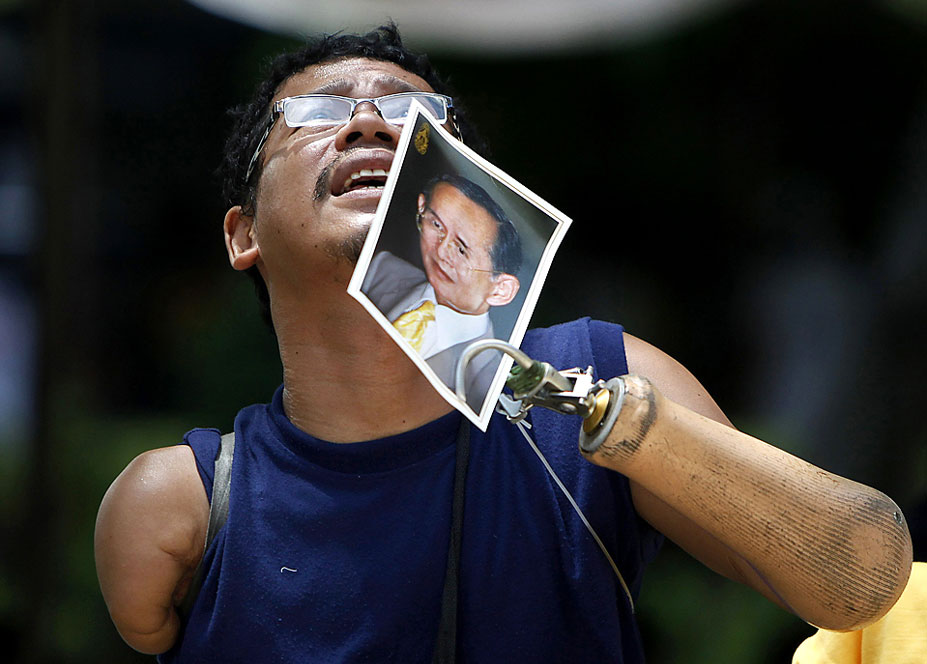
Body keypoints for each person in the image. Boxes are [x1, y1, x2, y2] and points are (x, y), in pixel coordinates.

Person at [93, 24, 914, 663]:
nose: (368, 123)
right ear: (242, 235)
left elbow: (859, 578)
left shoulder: (603, 374)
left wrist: (610, 417)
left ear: (472, 192)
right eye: (316, 112)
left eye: (415, 117)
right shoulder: (180, 507)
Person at [362, 173, 522, 410]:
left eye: (461, 249)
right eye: (437, 225)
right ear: (421, 208)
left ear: (501, 290)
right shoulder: (378, 270)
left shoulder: (488, 388)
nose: (440, 251)